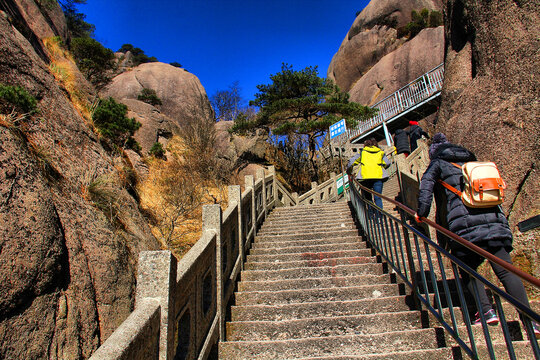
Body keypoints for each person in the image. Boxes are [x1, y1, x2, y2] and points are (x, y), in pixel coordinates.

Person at [414, 133, 539, 337]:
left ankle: (486, 310)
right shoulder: (473, 162)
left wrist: (421, 213)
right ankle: (532, 322)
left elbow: (425, 189)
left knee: (468, 269)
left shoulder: (437, 165)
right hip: (495, 222)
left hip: (465, 228)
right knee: (507, 271)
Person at [347, 137, 391, 210]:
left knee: (368, 198)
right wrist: (381, 167)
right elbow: (387, 163)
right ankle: (379, 216)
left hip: (365, 178)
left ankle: (371, 216)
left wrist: (349, 171)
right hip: (378, 177)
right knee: (378, 198)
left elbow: (351, 162)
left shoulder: (362, 152)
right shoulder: (380, 152)